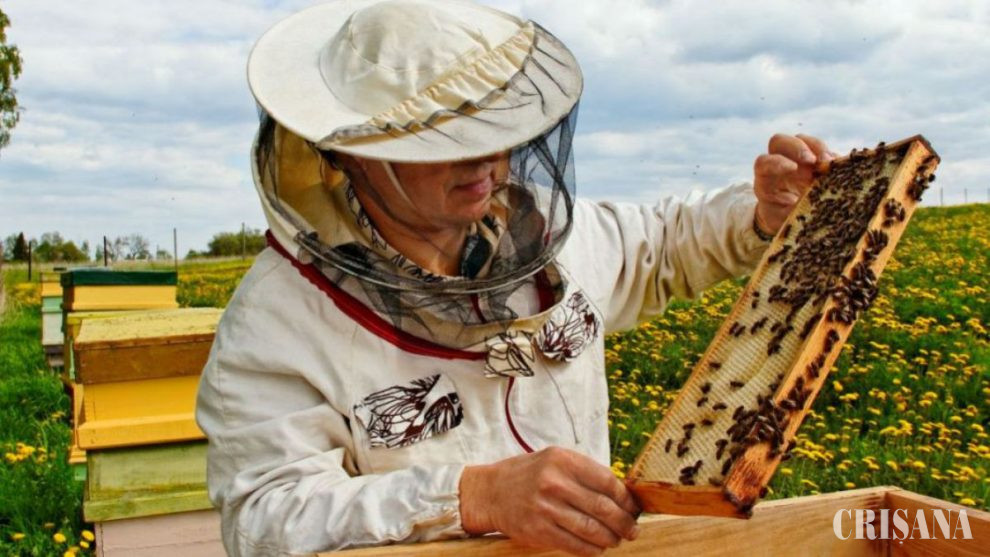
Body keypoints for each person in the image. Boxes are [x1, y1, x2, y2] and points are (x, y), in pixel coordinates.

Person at [195, 1, 833, 555]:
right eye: (442, 138)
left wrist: (762, 215)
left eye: (489, 123)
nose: (483, 159)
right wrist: (471, 496)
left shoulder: (548, 234)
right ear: (351, 154)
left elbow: (666, 244)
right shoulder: (276, 322)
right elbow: (264, 519)